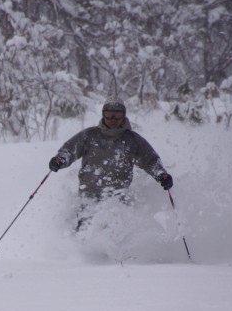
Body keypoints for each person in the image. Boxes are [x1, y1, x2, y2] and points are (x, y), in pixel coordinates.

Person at [48, 96, 173, 230]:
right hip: (89, 196)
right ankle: (78, 250)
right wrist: (60, 159)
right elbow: (69, 150)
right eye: (109, 115)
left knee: (115, 236)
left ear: (124, 116)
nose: (113, 119)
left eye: (117, 116)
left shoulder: (132, 140)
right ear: (103, 115)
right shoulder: (89, 135)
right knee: (86, 233)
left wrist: (161, 175)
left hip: (117, 199)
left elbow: (151, 161)